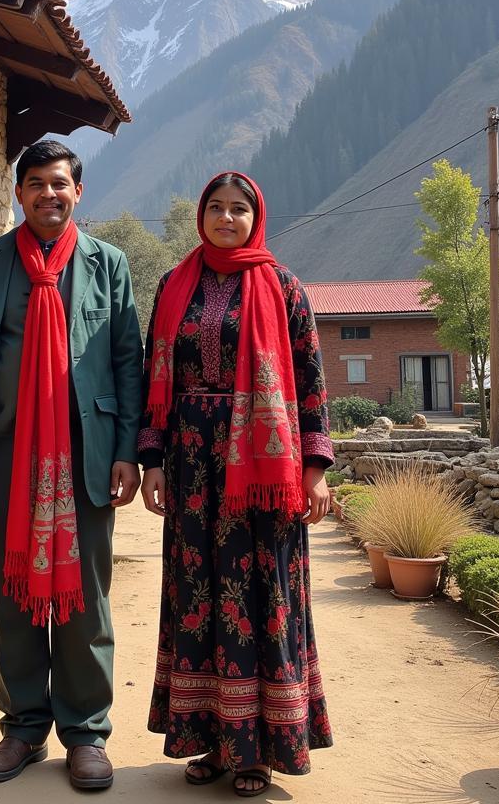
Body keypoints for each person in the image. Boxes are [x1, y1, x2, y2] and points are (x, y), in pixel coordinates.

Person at [138, 172, 334, 798]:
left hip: (264, 471)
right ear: (202, 216)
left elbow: (309, 381)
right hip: (194, 467)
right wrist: (152, 460)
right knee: (199, 595)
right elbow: (154, 379)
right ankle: (209, 742)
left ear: (257, 217)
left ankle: (258, 750)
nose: (226, 219)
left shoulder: (284, 288)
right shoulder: (174, 286)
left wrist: (315, 467)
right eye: (216, 209)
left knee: (260, 595)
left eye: (238, 210)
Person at [0, 140, 143, 791]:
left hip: (87, 454)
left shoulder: (108, 264)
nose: (48, 194)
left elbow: (128, 359)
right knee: (12, 595)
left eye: (60, 184)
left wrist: (128, 449)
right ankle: (21, 728)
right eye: (35, 183)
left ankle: (86, 732)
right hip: (6, 454)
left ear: (79, 192)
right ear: (19, 193)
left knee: (85, 599)